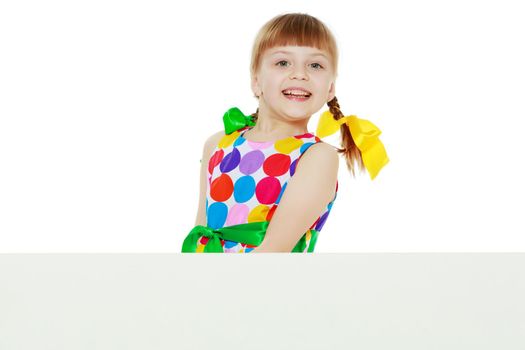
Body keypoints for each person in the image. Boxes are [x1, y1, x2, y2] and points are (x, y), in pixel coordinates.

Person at [181, 12, 389, 253]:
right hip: (205, 280)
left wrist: (219, 284)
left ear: (330, 87)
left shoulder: (316, 156)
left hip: (269, 285)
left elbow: (274, 250)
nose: (300, 74)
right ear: (256, 81)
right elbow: (200, 232)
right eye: (282, 63)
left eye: (315, 65)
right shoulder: (217, 144)